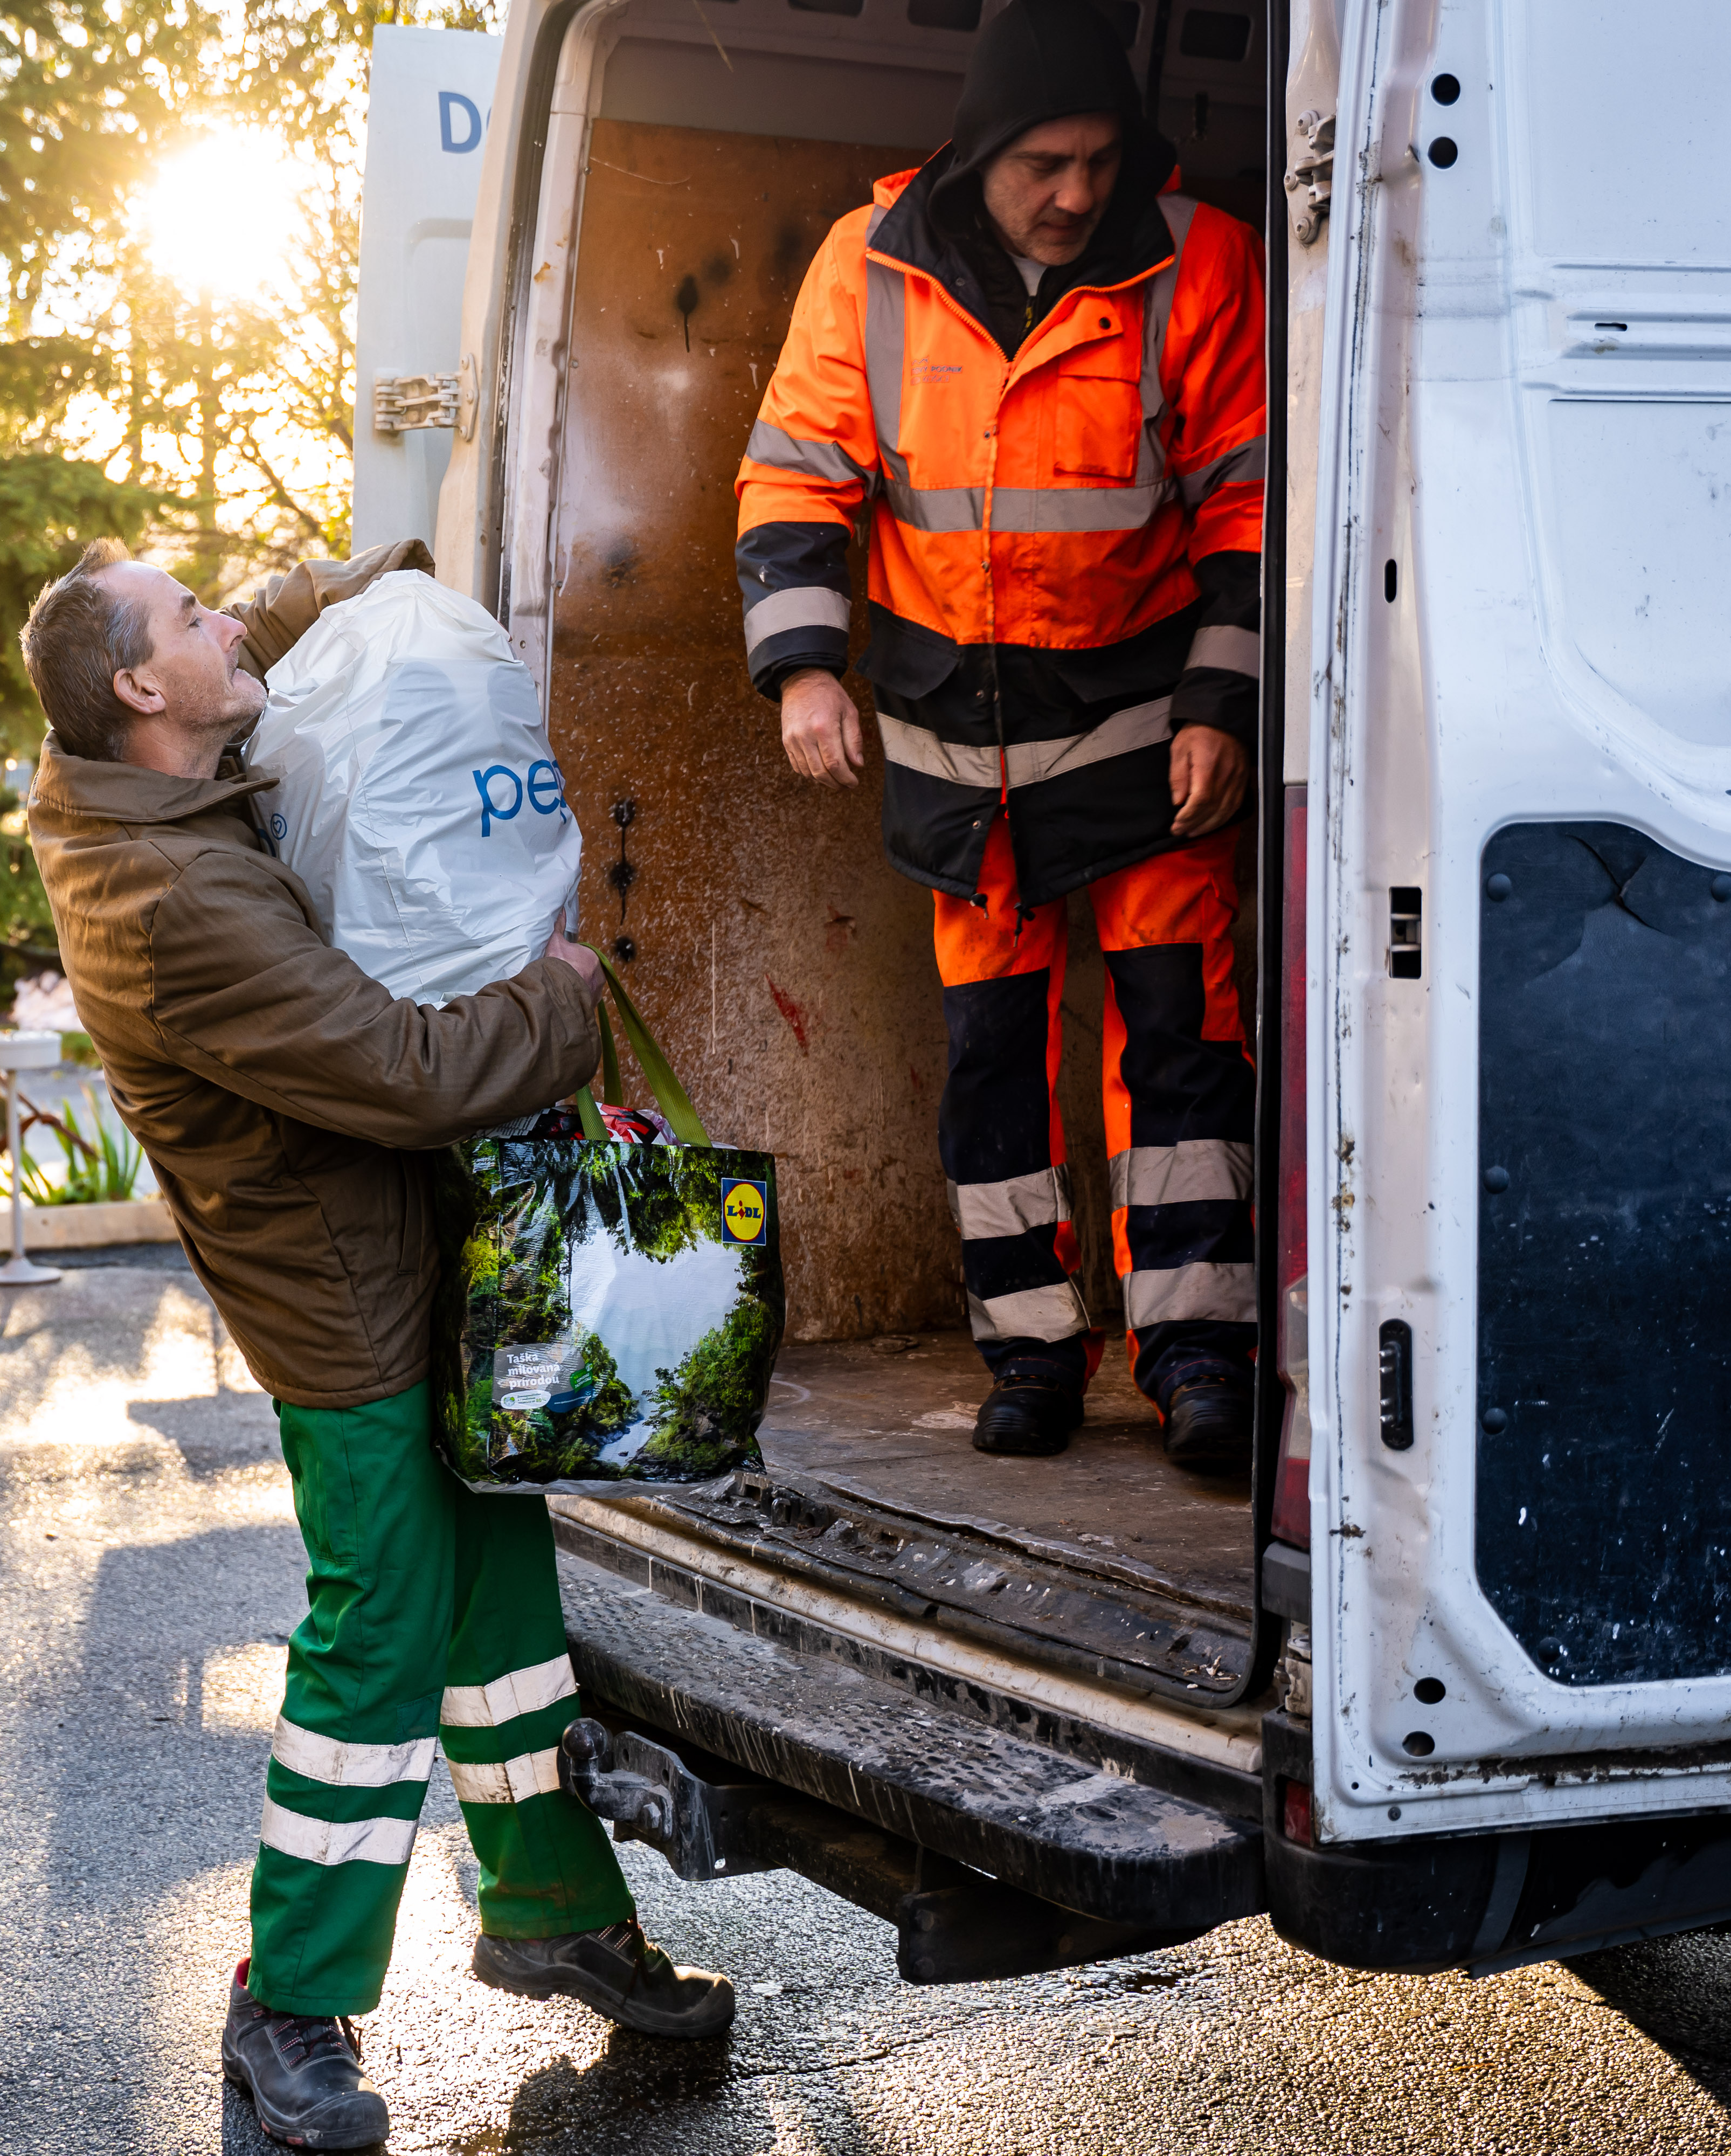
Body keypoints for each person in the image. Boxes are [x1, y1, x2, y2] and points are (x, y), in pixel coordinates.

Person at [21, 538, 738, 2151]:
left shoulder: (154, 787)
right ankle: (288, 2001)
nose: (223, 624)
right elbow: (405, 1071)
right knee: (379, 1642)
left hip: (422, 1261)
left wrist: (340, 582)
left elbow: (246, 654)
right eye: (192, 619)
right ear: (144, 690)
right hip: (344, 1308)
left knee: (502, 1608)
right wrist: (564, 997)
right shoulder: (166, 898)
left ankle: (552, 1910)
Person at [733, 0, 1265, 1470]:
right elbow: (794, 478)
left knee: (1179, 1056)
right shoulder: (872, 267)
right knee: (995, 1065)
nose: (1079, 192)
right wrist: (805, 674)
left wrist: (1223, 708)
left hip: (1144, 732)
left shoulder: (1201, 262)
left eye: (1102, 159)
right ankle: (1028, 1354)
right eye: (1047, 162)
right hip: (955, 754)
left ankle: (1201, 1357)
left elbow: (1248, 510)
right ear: (979, 157)